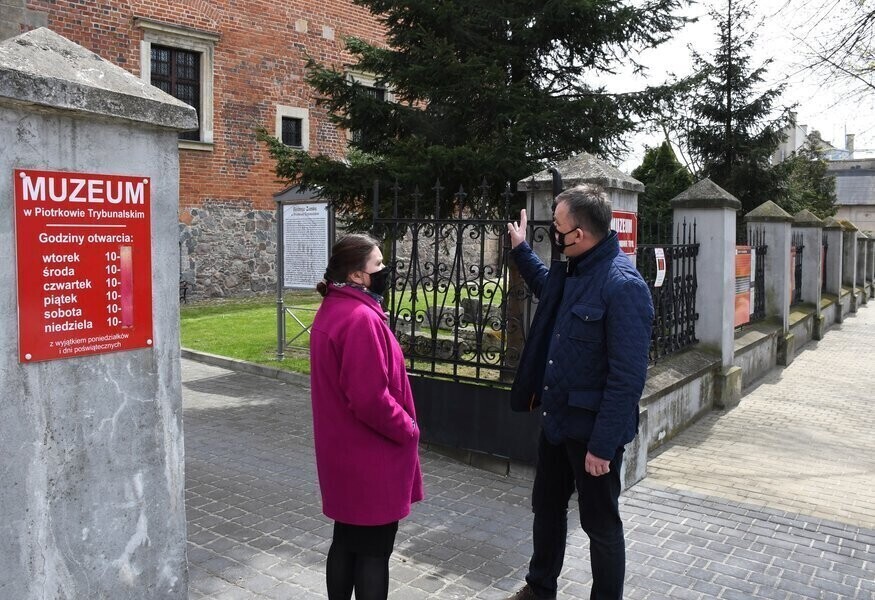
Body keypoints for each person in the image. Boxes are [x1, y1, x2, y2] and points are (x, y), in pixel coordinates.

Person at [503, 184, 654, 600]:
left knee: (600, 527)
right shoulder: (573, 268)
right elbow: (545, 287)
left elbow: (627, 379)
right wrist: (520, 249)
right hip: (556, 422)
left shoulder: (623, 286)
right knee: (547, 510)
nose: (553, 232)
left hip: (592, 435)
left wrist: (603, 447)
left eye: (558, 226)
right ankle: (539, 587)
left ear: (581, 234)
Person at [309, 233, 423, 600]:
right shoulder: (359, 318)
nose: (385, 270)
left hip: (345, 452)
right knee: (373, 552)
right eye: (378, 264)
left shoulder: (337, 309)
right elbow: (369, 398)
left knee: (347, 541)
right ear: (358, 275)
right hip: (370, 456)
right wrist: (407, 427)